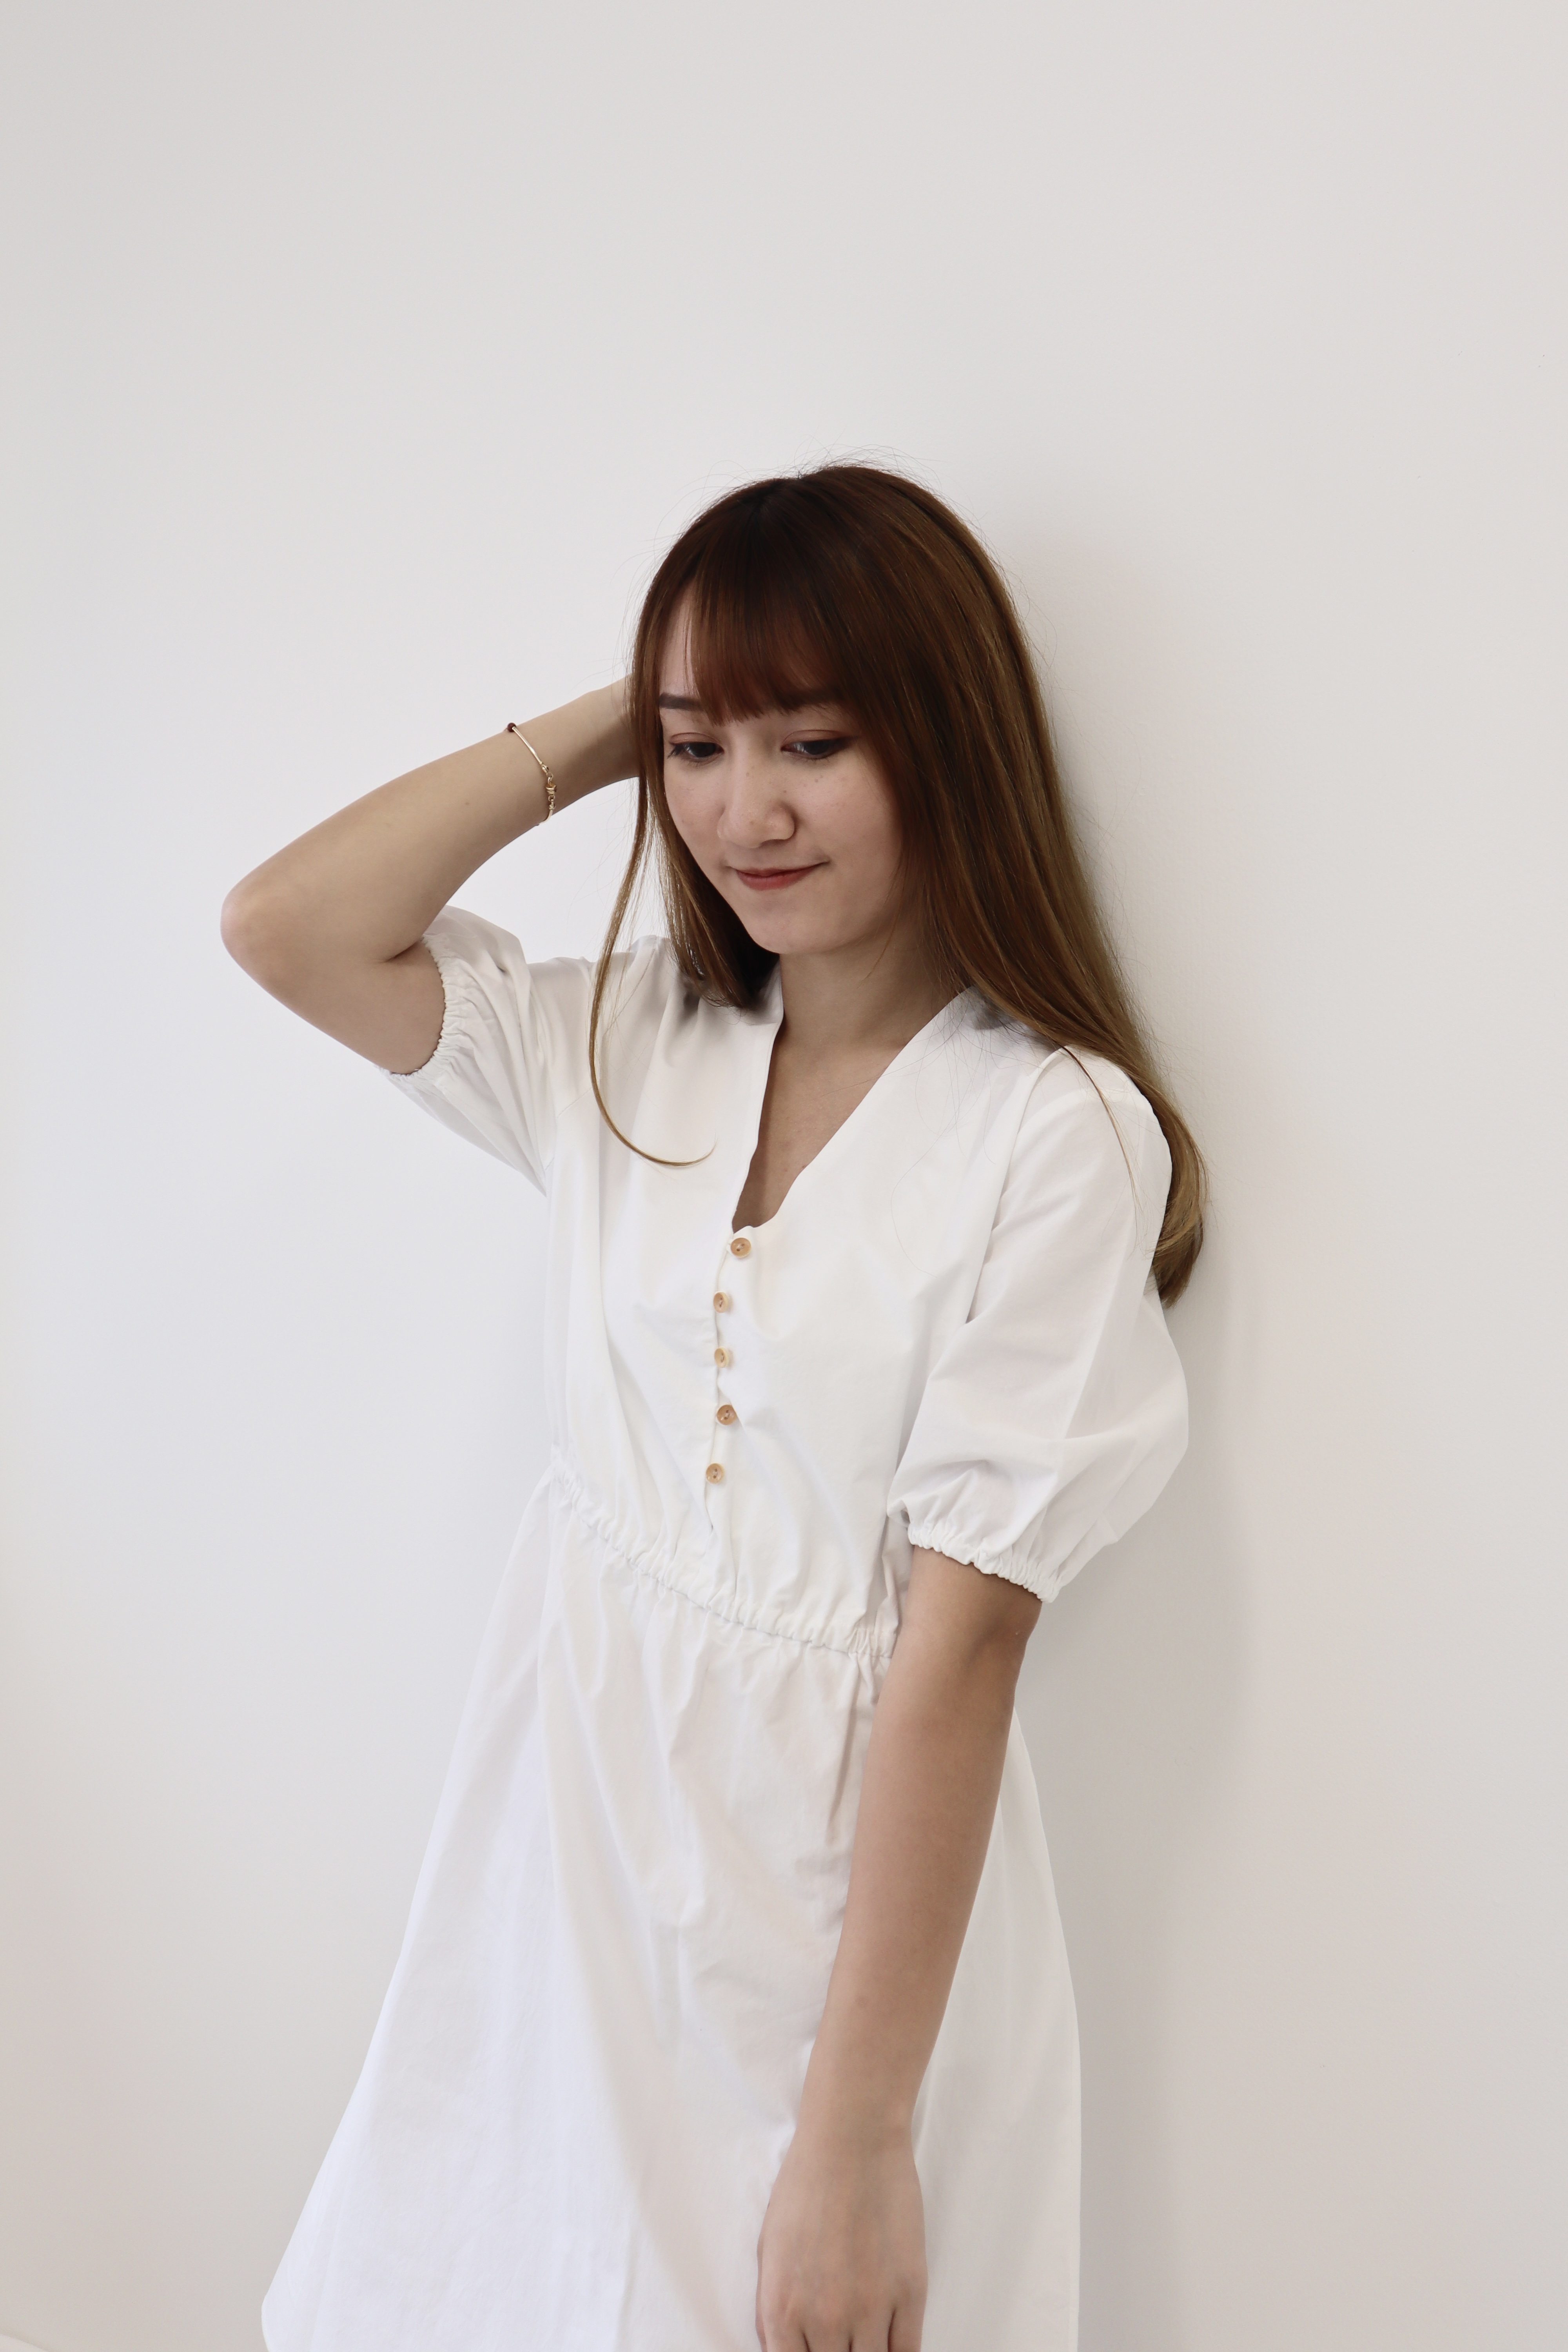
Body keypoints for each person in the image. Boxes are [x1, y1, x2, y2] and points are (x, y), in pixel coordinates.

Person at [223, 463, 1202, 2352]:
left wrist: (857, 2137)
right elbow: (290, 927)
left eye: (814, 742)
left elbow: (961, 1650)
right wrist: (635, 713)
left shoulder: (1052, 1132)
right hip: (562, 1872)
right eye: (701, 750)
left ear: (944, 737)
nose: (745, 811)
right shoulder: (629, 1039)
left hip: (835, 1932)